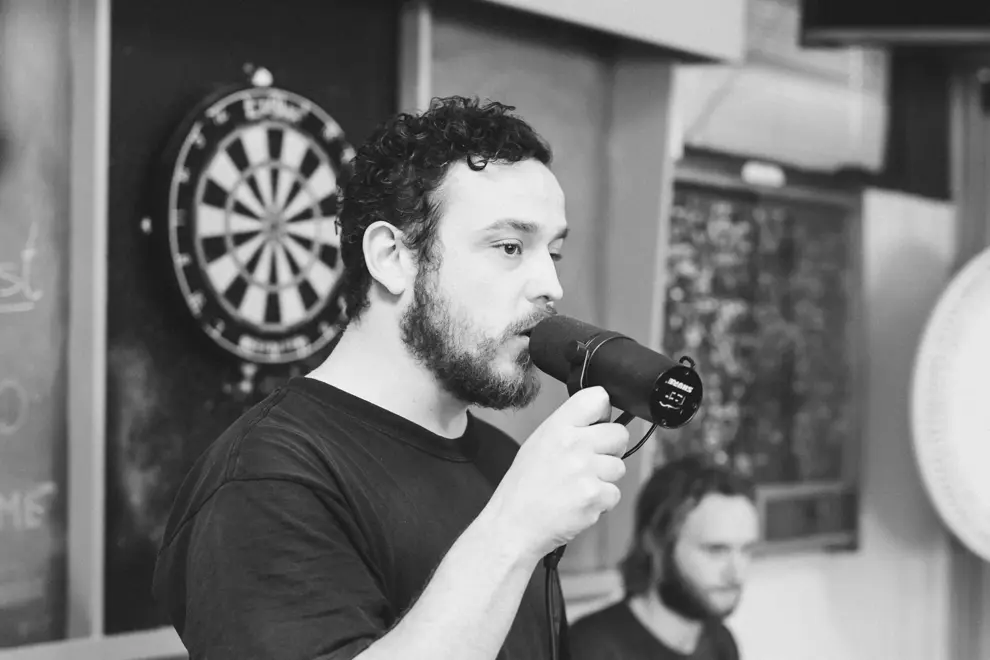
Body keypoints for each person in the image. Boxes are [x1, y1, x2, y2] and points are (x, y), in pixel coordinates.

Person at [152, 96, 631, 660]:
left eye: (553, 252)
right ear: (391, 256)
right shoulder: (269, 477)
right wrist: (514, 530)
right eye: (510, 247)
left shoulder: (503, 464)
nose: (551, 285)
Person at [569, 455, 760, 660]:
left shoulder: (721, 643)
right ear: (655, 542)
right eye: (716, 550)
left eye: (746, 550)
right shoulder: (592, 647)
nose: (736, 574)